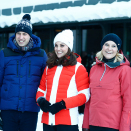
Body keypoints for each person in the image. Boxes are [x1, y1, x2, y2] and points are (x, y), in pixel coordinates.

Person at [0, 14, 47, 131]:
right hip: (8, 110)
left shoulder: (41, 55)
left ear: (30, 35)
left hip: (30, 109)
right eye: (18, 33)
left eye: (24, 34)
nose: (21, 37)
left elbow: (47, 81)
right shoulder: (5, 54)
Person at [36, 29, 90, 131]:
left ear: (69, 47)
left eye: (62, 45)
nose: (58, 48)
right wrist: (41, 100)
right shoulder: (49, 67)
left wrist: (63, 104)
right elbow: (41, 90)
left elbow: (84, 95)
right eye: (56, 45)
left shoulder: (78, 68)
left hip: (68, 122)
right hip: (48, 121)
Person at [82, 33, 131, 131]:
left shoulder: (124, 70)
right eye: (106, 45)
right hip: (93, 124)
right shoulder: (94, 69)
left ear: (118, 50)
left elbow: (128, 102)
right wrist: (85, 124)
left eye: (113, 46)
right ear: (102, 47)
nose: (109, 49)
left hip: (113, 126)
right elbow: (89, 100)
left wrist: (125, 128)